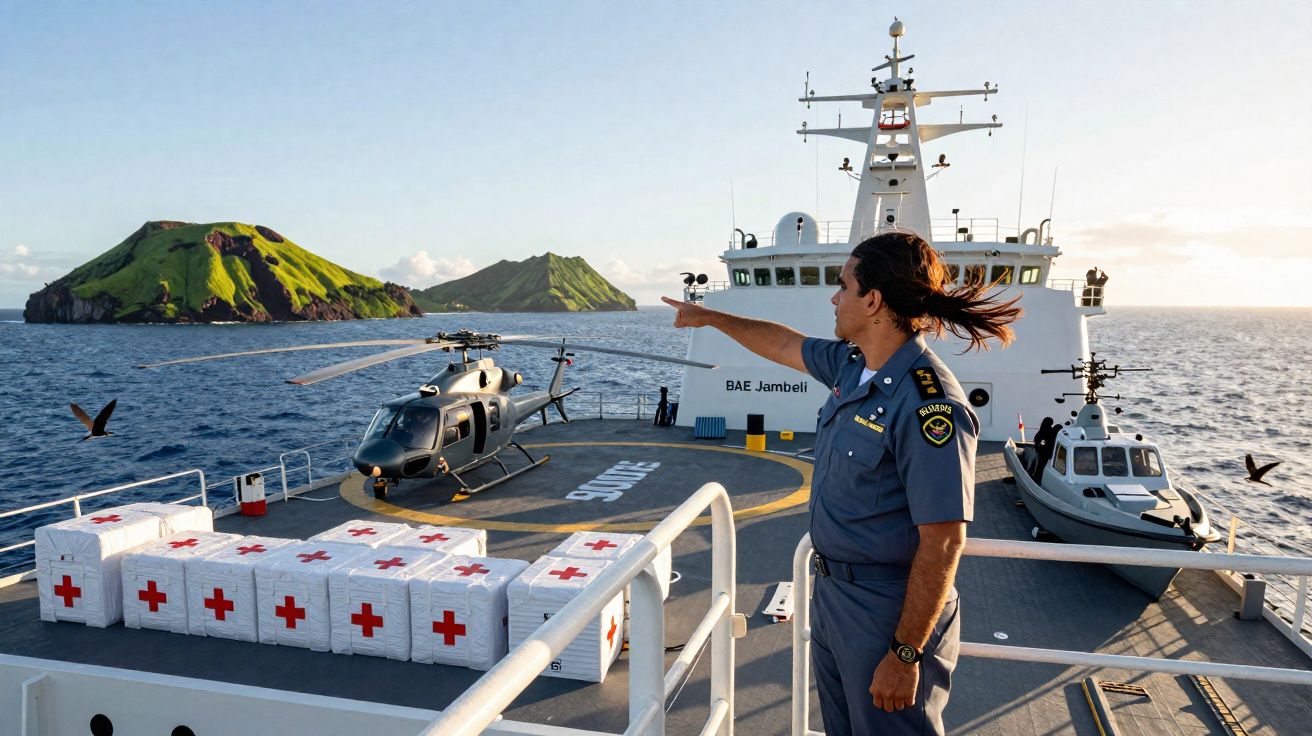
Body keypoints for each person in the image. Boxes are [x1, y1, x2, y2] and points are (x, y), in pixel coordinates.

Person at [662, 230, 1021, 735]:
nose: (834, 297)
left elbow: (943, 542)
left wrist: (904, 653)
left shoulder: (928, 404)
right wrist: (710, 317)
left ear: (873, 301)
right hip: (833, 597)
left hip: (888, 613)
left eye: (843, 286)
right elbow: (783, 343)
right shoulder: (852, 367)